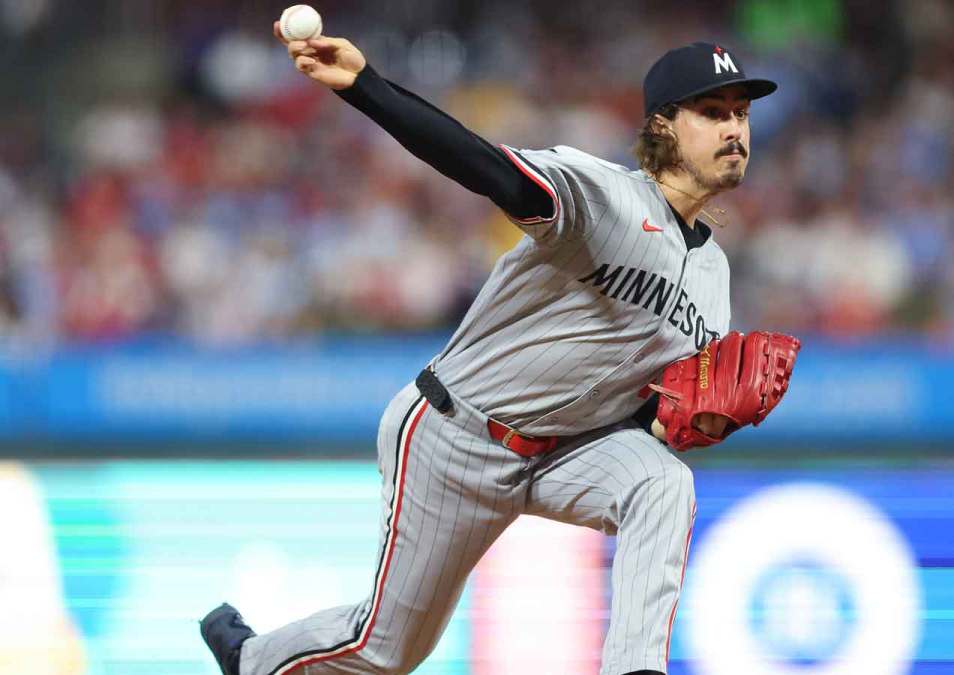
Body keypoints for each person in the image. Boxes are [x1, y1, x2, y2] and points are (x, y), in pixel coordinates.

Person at [201, 20, 778, 675]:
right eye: (712, 112)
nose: (735, 128)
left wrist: (687, 420)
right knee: (386, 648)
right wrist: (365, 87)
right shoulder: (604, 197)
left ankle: (635, 667)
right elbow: (480, 164)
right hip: (457, 434)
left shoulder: (715, 281)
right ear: (664, 127)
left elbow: (639, 411)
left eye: (741, 113)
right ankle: (251, 659)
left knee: (662, 481)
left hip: (566, 450)